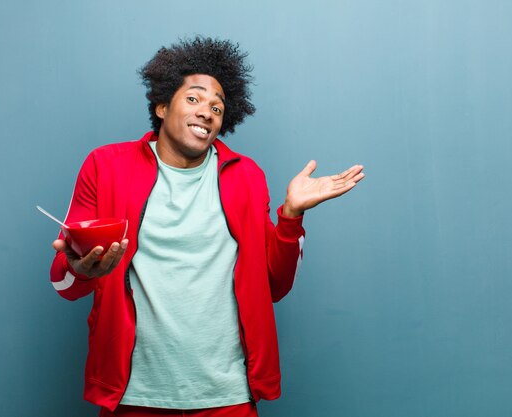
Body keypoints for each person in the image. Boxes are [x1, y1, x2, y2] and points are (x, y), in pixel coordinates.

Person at [49, 37, 364, 417]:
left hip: (227, 395)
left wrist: (291, 217)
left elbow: (274, 287)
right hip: (135, 394)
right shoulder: (106, 166)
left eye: (218, 107)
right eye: (194, 99)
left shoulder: (246, 177)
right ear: (163, 106)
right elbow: (64, 283)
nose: (207, 112)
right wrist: (82, 270)